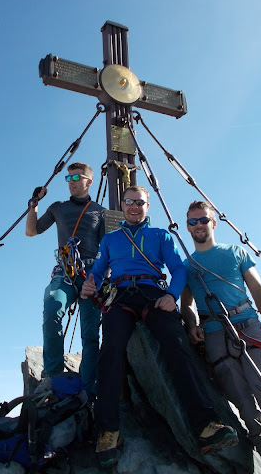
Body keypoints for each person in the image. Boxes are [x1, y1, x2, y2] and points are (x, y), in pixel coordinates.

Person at [81, 186, 238, 467]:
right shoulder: (110, 240)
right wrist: (91, 282)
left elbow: (178, 269)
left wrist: (171, 295)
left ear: (147, 206)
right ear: (123, 205)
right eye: (128, 202)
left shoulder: (161, 235)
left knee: (176, 345)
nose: (133, 206)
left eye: (139, 202)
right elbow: (98, 269)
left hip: (153, 292)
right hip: (120, 295)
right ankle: (108, 431)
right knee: (111, 351)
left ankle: (206, 425)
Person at [180, 200, 261, 474]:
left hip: (247, 325)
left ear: (213, 222)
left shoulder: (235, 252)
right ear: (187, 226)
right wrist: (191, 323)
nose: (198, 225)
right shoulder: (187, 266)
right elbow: (186, 304)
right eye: (192, 221)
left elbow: (257, 287)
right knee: (245, 407)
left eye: (203, 220)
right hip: (213, 334)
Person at [26, 162, 105, 401]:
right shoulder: (58, 208)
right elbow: (32, 231)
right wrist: (33, 205)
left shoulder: (100, 212)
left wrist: (99, 279)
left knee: (90, 333)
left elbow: (107, 250)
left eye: (75, 178)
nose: (70, 182)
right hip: (65, 271)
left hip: (91, 273)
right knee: (53, 309)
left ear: (88, 182)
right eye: (68, 178)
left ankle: (89, 387)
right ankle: (53, 376)